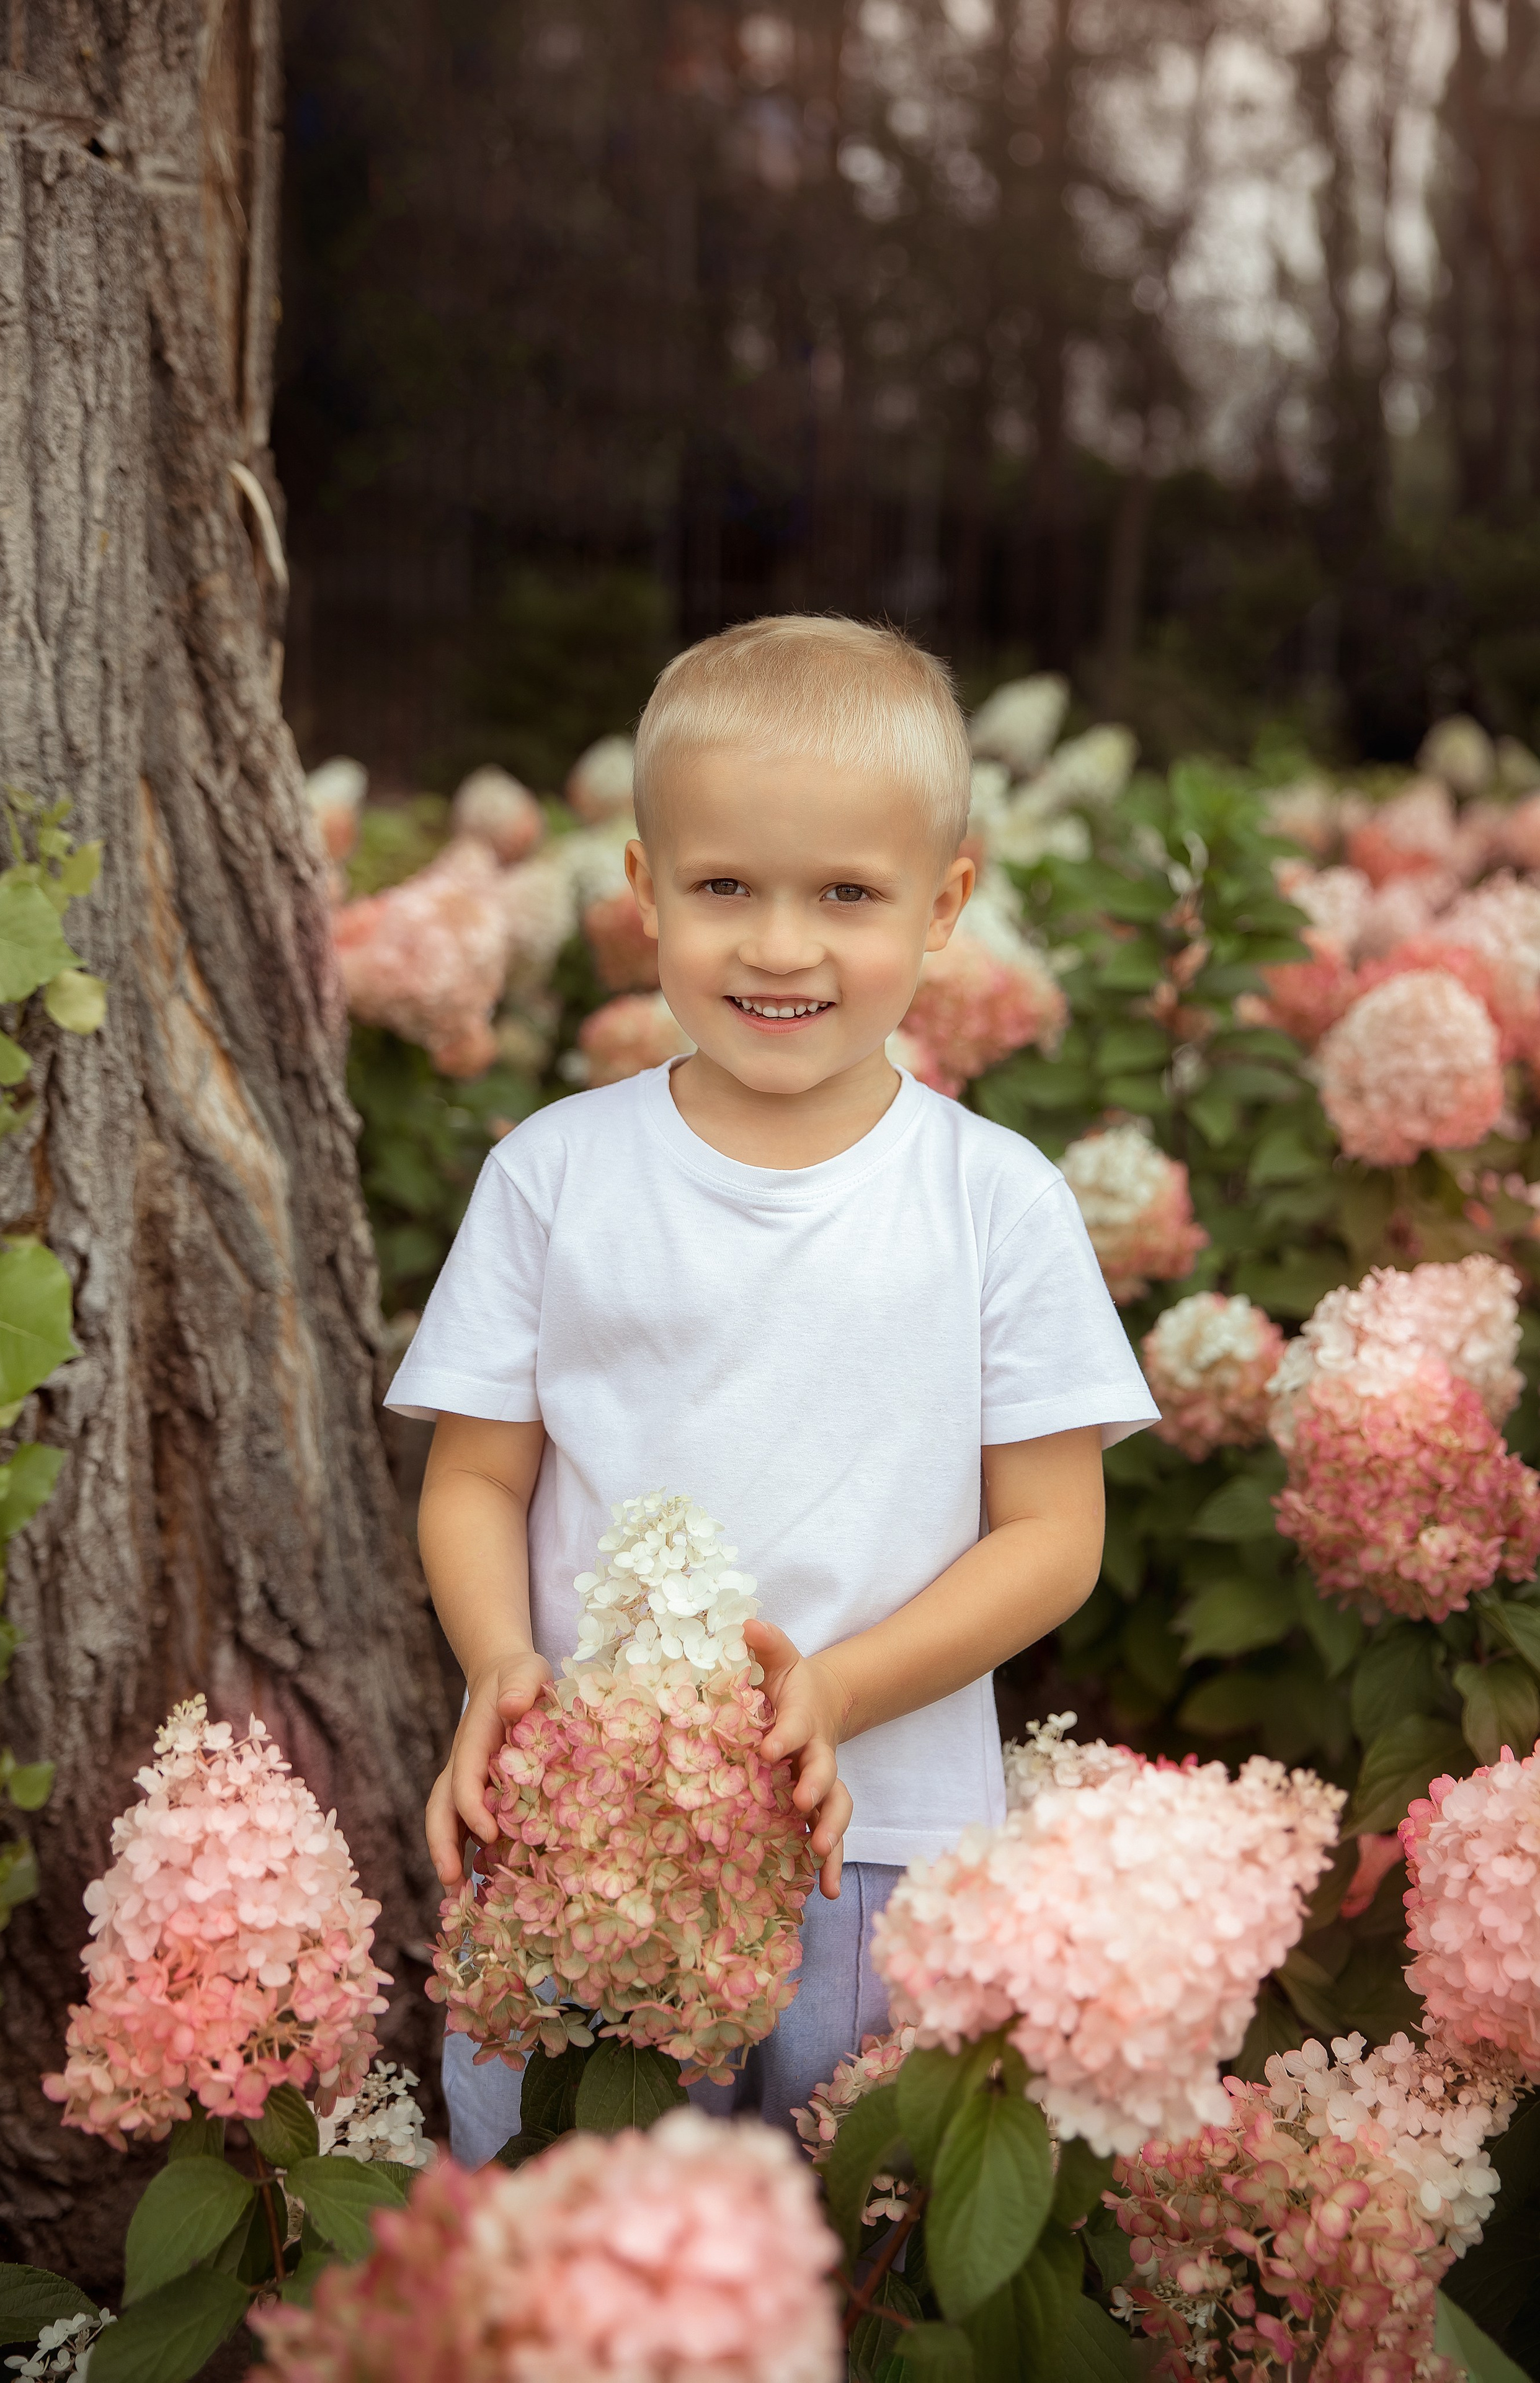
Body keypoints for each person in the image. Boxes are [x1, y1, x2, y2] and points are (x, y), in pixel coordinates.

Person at [386, 614, 1157, 2164]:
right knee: (567, 2237)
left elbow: (1051, 1535)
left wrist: (846, 1686)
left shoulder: (993, 1198)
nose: (781, 944)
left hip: (874, 1846)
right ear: (641, 892)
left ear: (944, 906)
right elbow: (477, 1478)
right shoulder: (552, 1176)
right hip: (596, 1846)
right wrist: (491, 1665)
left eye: (846, 895)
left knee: (847, 2252)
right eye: (724, 886)